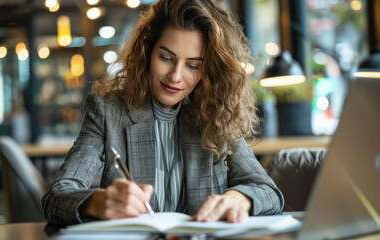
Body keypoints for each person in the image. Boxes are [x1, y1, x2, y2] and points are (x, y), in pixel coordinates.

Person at [42, 0, 284, 227]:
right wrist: (97, 203)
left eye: (193, 65)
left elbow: (268, 191)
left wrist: (241, 198)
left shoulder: (215, 112)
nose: (176, 76)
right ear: (147, 52)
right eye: (166, 58)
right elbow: (56, 196)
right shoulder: (107, 111)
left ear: (207, 70)